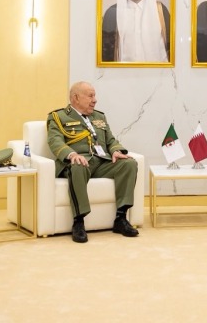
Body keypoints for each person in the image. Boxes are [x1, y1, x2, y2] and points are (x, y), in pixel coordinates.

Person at [46, 81, 139, 243]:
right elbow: (55, 141)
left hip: (102, 162)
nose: (95, 100)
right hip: (78, 162)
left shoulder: (99, 117)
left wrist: (116, 151)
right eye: (90, 96)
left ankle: (121, 218)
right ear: (76, 98)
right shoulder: (58, 117)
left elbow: (110, 140)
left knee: (129, 164)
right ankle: (78, 222)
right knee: (78, 165)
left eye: (94, 96)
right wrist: (72, 154)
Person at [101, 0, 170, 62]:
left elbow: (172, 46)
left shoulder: (160, 10)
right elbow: (105, 51)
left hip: (157, 69)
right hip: (122, 70)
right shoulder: (113, 12)